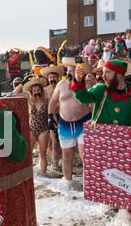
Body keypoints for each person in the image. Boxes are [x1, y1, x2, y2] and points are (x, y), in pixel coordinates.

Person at [71, 59, 131, 154]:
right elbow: (84, 98)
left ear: (119, 74)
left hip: (129, 146)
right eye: (103, 72)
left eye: (107, 72)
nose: (103, 76)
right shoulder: (101, 89)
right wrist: (78, 81)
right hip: (102, 144)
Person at [48, 57, 93, 189]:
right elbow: (53, 102)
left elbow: (93, 100)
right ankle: (67, 183)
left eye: (74, 68)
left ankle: (89, 185)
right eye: (69, 68)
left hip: (83, 122)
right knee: (66, 156)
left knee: (86, 155)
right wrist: (50, 117)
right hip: (65, 124)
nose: (71, 70)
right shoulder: (60, 85)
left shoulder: (86, 83)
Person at [41, 65, 65, 173]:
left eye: (54, 77)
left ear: (58, 78)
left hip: (64, 117)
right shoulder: (45, 90)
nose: (52, 79)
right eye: (50, 78)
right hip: (51, 117)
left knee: (63, 142)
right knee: (54, 142)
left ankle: (62, 162)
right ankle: (55, 165)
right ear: (48, 79)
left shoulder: (62, 87)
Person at [23, 77, 50, 176]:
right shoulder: (29, 100)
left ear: (41, 90)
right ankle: (28, 174)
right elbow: (16, 92)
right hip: (31, 128)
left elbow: (52, 114)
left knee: (42, 154)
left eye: (38, 90)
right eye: (34, 90)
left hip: (43, 129)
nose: (36, 92)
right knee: (28, 153)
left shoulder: (47, 101)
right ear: (31, 91)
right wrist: (25, 82)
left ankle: (43, 175)